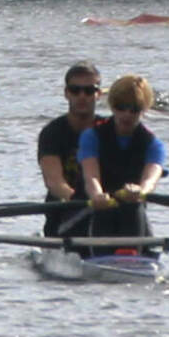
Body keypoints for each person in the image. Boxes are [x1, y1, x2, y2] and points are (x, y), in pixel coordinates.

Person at [78, 74, 168, 256]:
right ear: (112, 106)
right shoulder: (92, 137)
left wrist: (141, 190)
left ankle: (131, 256)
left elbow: (151, 179)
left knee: (133, 205)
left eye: (134, 109)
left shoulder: (153, 144)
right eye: (120, 108)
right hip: (99, 210)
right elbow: (91, 176)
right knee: (106, 208)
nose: (126, 115)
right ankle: (104, 257)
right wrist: (97, 195)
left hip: (133, 211)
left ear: (144, 110)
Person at [37, 61, 106, 236]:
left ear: (98, 94)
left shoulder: (108, 130)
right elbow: (55, 183)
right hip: (64, 212)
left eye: (89, 91)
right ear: (66, 94)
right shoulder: (52, 132)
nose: (82, 96)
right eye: (75, 90)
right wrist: (83, 200)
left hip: (104, 210)